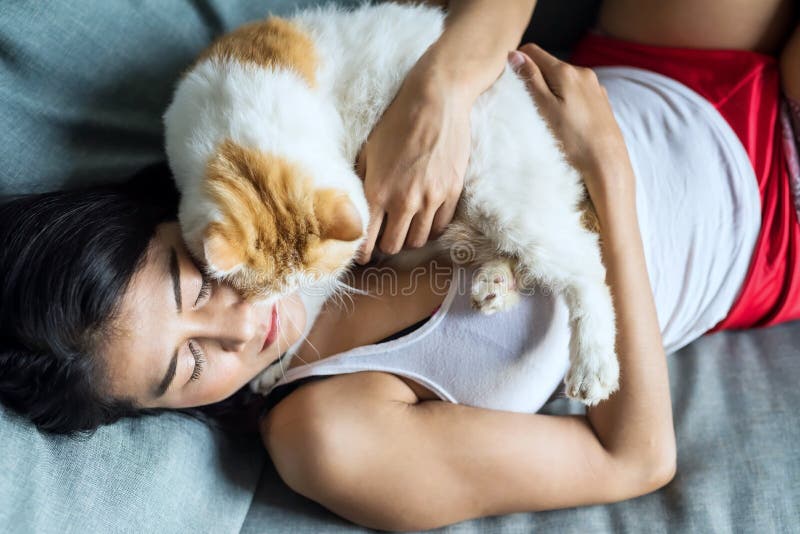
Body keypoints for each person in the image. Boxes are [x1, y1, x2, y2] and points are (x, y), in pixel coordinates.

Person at [1, 0, 798, 531]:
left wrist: (444, 87)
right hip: (768, 226)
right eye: (189, 361)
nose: (243, 318)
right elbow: (635, 460)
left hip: (650, 64)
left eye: (195, 278)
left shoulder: (268, 158)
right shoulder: (330, 433)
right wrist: (610, 178)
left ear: (177, 219)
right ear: (164, 412)